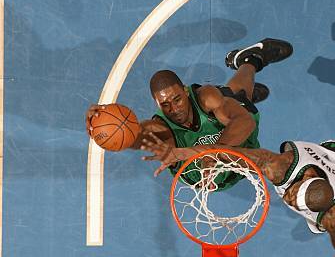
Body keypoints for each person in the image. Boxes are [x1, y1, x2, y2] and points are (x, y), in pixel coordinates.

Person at [140, 134, 335, 257]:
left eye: (294, 202)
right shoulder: (278, 166)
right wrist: (181, 152)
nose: (286, 197)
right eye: (292, 193)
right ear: (303, 178)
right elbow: (228, 152)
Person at [86, 38, 293, 190]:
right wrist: (98, 132)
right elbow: (132, 138)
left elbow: (245, 122)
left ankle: (250, 59)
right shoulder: (160, 128)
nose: (174, 109)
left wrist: (214, 154)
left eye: (177, 99)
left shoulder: (207, 99)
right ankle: (237, 96)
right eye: (165, 104)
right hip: (205, 176)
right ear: (156, 104)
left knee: (241, 99)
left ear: (185, 90)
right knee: (233, 102)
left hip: (236, 146)